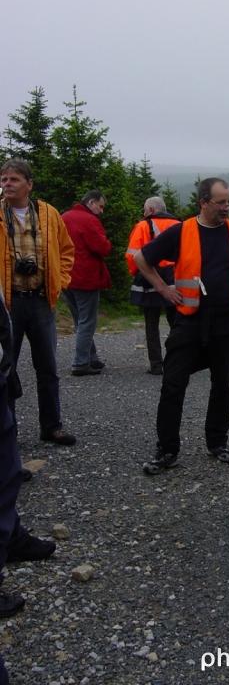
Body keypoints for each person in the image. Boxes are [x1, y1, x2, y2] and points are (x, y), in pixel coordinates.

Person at [134, 177, 229, 474]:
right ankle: (167, 450)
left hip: (226, 322)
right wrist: (163, 289)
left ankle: (217, 442)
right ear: (203, 203)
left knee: (221, 385)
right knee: (173, 385)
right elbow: (142, 259)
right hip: (189, 322)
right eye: (221, 202)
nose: (227, 207)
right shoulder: (181, 231)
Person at [0, 285, 56, 685]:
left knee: (7, 469)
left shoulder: (46, 217)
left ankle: (11, 536)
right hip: (13, 301)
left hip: (35, 300)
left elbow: (62, 252)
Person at [0, 159, 75, 446]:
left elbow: (67, 250)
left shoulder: (48, 214)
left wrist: (61, 280)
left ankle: (52, 427)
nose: (8, 184)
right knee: (6, 370)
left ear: (29, 184)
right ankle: (8, 434)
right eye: (4, 179)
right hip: (7, 305)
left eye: (14, 180)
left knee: (48, 368)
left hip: (41, 301)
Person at [125, 196, 180, 375]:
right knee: (177, 322)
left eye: (144, 209)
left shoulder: (142, 226)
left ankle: (156, 365)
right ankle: (178, 360)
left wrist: (136, 273)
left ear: (151, 210)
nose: (143, 213)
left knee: (151, 323)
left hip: (150, 277)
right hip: (176, 277)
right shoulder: (181, 226)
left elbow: (132, 255)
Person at [62, 191, 111, 376]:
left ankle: (91, 357)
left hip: (66, 277)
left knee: (79, 320)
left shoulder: (64, 217)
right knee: (87, 321)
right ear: (91, 202)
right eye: (100, 206)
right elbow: (102, 247)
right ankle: (80, 363)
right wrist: (107, 243)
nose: (101, 211)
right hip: (86, 278)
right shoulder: (89, 220)